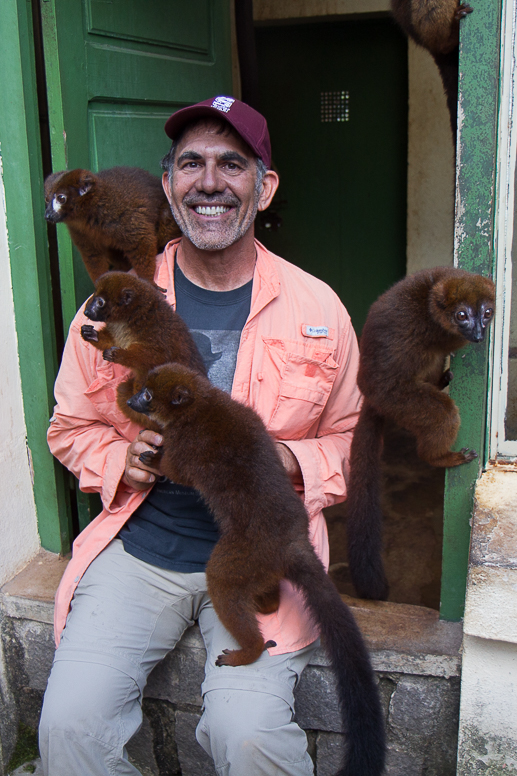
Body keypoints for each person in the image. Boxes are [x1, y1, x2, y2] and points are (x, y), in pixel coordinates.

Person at [39, 96, 362, 776]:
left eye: (230, 163)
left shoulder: (316, 308)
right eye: (190, 164)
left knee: (248, 739)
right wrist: (118, 459)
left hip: (261, 555)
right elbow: (68, 428)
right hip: (142, 552)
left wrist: (290, 457)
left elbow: (352, 440)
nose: (208, 182)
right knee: (69, 728)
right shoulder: (117, 298)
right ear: (168, 185)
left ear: (263, 185)